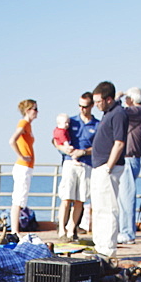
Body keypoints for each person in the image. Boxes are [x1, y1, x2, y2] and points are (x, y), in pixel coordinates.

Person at [90, 81, 128, 260]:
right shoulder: (108, 112)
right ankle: (99, 245)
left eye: (99, 102)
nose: (96, 105)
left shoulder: (119, 114)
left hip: (108, 167)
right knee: (98, 208)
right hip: (99, 166)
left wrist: (109, 166)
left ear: (109, 99)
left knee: (108, 208)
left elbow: (119, 142)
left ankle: (108, 248)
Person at [53, 93, 99, 240]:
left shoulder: (97, 124)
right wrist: (63, 149)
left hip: (86, 164)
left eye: (85, 106)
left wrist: (83, 152)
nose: (82, 109)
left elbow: (99, 147)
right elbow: (55, 138)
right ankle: (61, 230)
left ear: (91, 106)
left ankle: (72, 230)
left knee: (80, 199)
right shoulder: (70, 121)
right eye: (80, 106)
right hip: (69, 162)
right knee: (66, 198)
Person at [116, 87, 141, 244]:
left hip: (129, 159)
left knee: (126, 197)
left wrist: (116, 98)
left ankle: (128, 233)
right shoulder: (139, 114)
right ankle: (124, 231)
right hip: (130, 159)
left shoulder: (137, 111)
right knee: (122, 198)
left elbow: (118, 113)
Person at [9, 99, 38, 235]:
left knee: (21, 198)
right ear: (28, 111)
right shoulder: (23, 123)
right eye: (35, 109)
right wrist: (21, 155)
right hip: (23, 166)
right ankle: (15, 231)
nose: (37, 112)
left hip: (27, 166)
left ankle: (16, 229)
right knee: (18, 199)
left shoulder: (28, 126)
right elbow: (12, 140)